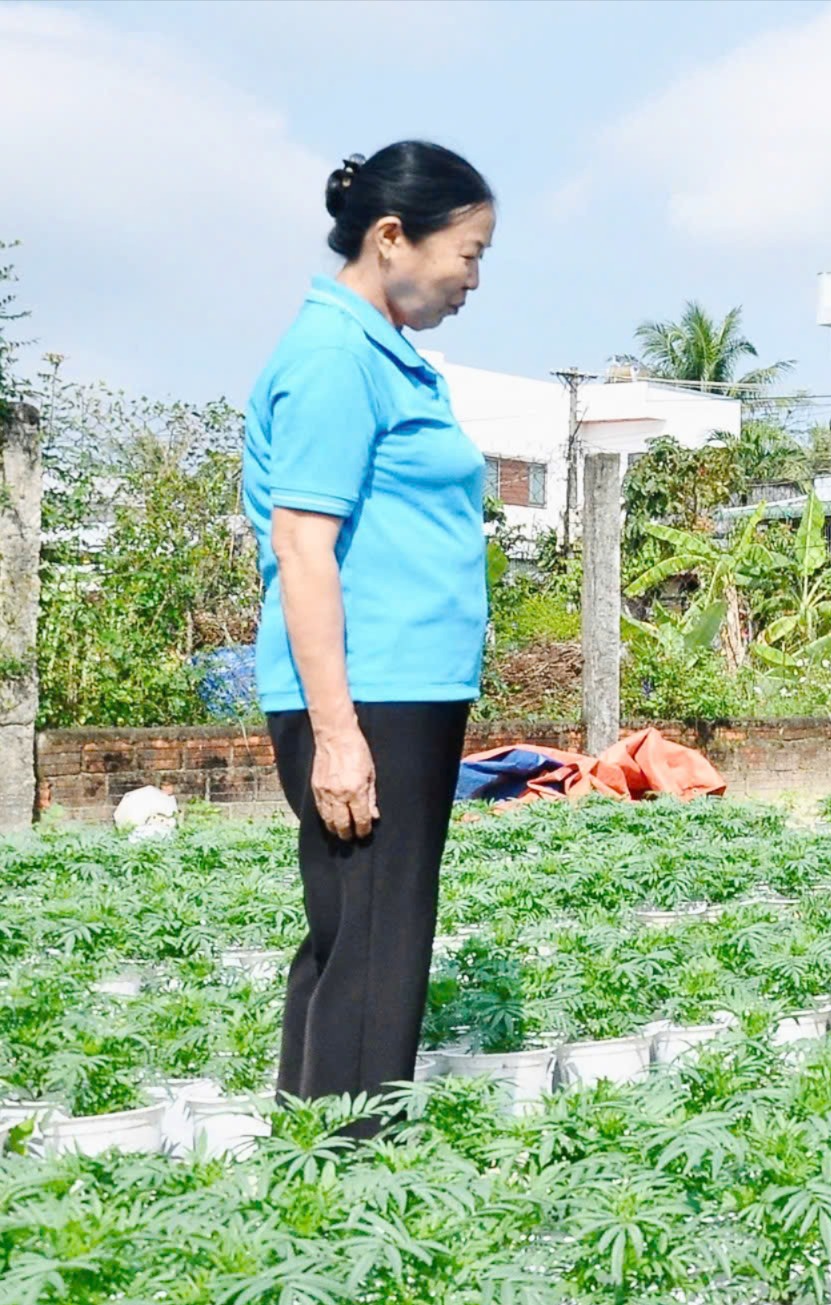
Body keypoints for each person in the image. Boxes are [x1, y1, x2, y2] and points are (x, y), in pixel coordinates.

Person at [242, 141, 495, 1126]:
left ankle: (309, 1171)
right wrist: (339, 733)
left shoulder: (377, 352)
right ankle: (352, 1178)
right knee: (377, 941)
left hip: (401, 686)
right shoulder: (336, 357)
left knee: (355, 937)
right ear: (392, 237)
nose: (473, 276)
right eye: (466, 252)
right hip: (368, 691)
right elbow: (303, 546)